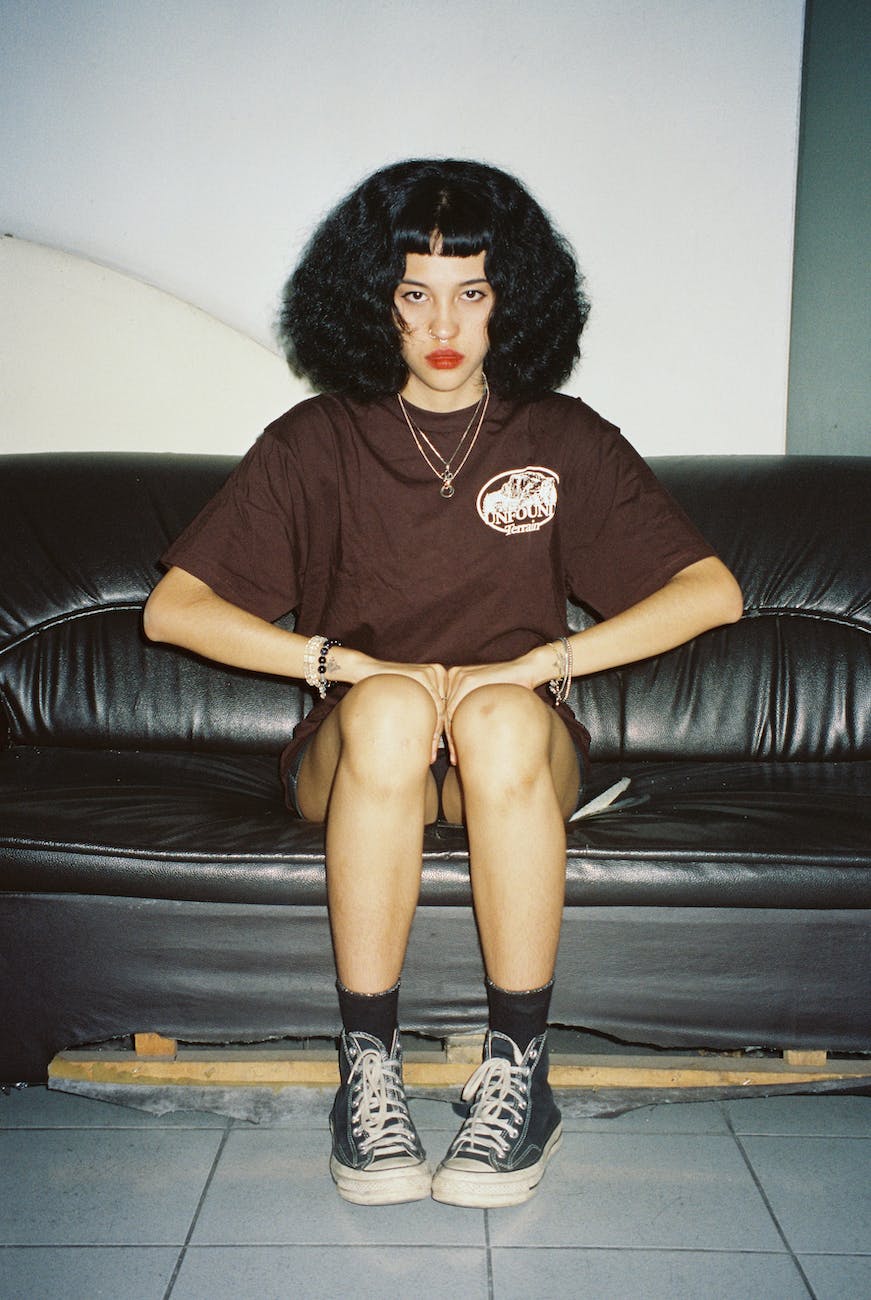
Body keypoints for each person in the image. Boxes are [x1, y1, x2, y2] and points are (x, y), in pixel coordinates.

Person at [144, 158, 743, 1209]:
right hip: (361, 757)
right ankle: (367, 1073)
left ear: (511, 298)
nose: (442, 324)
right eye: (412, 293)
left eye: (470, 290)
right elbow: (173, 610)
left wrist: (542, 661)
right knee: (389, 708)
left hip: (504, 759)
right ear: (371, 304)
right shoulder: (316, 440)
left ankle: (519, 1075)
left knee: (504, 720)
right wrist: (338, 664)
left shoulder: (560, 436)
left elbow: (711, 592)